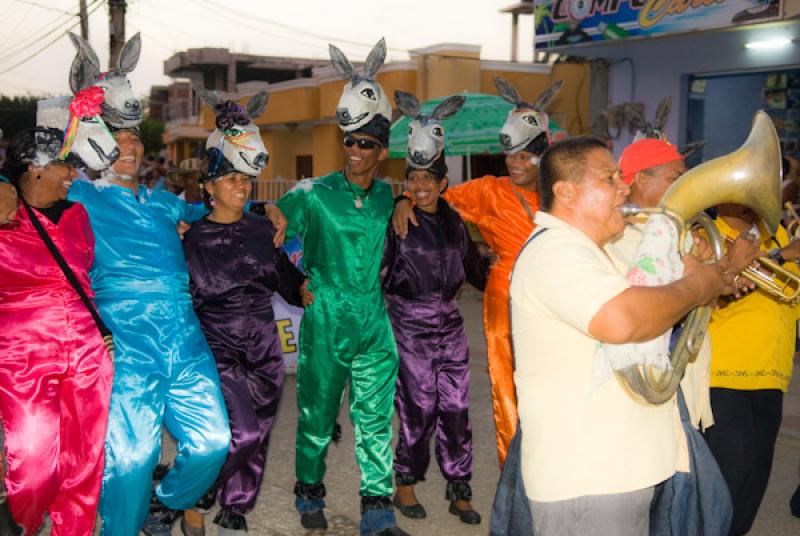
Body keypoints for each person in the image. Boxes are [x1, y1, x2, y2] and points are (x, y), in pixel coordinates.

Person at [0, 127, 234, 536]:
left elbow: (217, 212)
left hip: (182, 337)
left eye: (136, 139)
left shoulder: (164, 202)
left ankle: (164, 504)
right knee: (128, 461)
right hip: (125, 342)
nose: (129, 146)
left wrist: (270, 210)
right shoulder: (83, 196)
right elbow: (25, 180)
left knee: (214, 440)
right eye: (117, 138)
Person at [509, 136, 745, 536]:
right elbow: (624, 321)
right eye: (609, 178)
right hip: (588, 477)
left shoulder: (587, 251)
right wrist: (699, 286)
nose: (624, 187)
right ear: (565, 192)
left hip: (617, 469)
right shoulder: (557, 251)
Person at [271, 39, 410, 536]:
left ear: (382, 148)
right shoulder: (315, 192)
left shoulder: (388, 198)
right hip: (326, 316)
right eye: (347, 140)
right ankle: (309, 491)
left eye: (364, 143)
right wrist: (294, 283)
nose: (353, 151)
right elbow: (266, 222)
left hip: (373, 322)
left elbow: (421, 208)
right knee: (315, 414)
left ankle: (377, 510)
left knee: (375, 420)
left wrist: (407, 197)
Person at [393, 78, 563, 466]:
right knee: (507, 388)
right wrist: (403, 198)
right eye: (511, 156)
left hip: (557, 299)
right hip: (506, 297)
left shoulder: (563, 191)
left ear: (542, 152)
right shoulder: (489, 191)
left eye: (525, 156)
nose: (516, 164)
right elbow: (432, 194)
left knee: (557, 385)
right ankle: (514, 471)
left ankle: (554, 467)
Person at [181, 157, 307, 535]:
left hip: (265, 346)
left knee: (261, 429)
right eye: (231, 178)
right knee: (242, 431)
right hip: (218, 343)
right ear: (209, 187)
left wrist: (304, 287)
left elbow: (287, 279)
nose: (242, 185)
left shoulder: (262, 227)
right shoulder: (189, 238)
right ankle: (196, 494)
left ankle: (236, 505)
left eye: (246, 178)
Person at [0, 127, 113, 535]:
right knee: (32, 465)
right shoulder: (4, 217)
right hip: (22, 355)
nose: (71, 174)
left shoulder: (78, 215)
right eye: (64, 164)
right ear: (34, 168)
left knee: (84, 464)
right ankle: (23, 524)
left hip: (87, 352)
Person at [382, 156, 488, 525]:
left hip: (452, 325)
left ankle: (459, 487)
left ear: (443, 183)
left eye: (428, 177)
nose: (420, 183)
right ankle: (405, 483)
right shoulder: (398, 221)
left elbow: (475, 268)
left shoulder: (454, 222)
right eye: (413, 177)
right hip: (410, 326)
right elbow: (378, 271)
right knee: (419, 408)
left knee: (457, 410)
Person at [701, 201, 800, 535]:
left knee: (753, 484)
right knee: (727, 483)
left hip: (772, 375)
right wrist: (778, 257)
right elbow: (706, 291)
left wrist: (784, 253)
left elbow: (791, 295)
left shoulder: (777, 235)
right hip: (726, 376)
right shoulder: (707, 236)